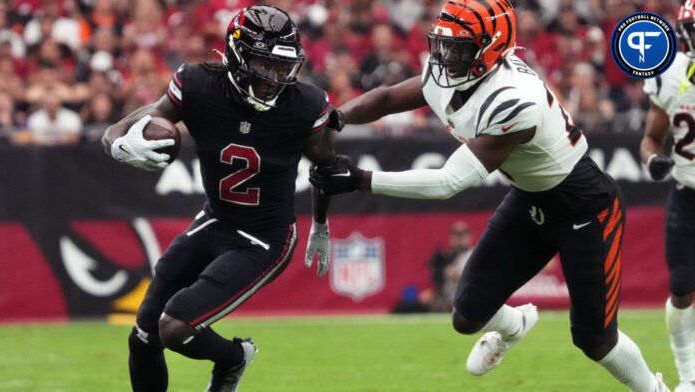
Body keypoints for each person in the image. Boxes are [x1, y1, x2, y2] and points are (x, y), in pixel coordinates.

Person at [310, 1, 667, 390]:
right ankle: (515, 325)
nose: (445, 57)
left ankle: (655, 388)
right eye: (443, 45)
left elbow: (449, 182)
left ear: (491, 48)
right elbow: (384, 99)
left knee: (594, 339)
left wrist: (361, 179)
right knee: (467, 313)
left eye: (457, 48)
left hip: (585, 208)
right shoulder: (454, 72)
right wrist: (334, 118)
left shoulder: (515, 98)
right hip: (531, 200)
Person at [102, 6, 336, 392]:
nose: (274, 80)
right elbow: (156, 115)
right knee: (143, 336)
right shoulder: (198, 83)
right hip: (216, 220)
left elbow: (326, 166)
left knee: (174, 327)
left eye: (283, 68)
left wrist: (321, 224)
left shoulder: (303, 106)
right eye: (265, 65)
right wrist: (114, 137)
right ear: (238, 56)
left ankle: (232, 358)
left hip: (265, 238)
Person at [642, 3, 695, 391]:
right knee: (681, 287)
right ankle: (689, 377)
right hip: (687, 194)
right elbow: (650, 138)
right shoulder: (670, 73)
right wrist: (653, 161)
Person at [428, 221, 473, 312]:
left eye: (462, 235)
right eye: (456, 236)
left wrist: (459, 277)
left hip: (467, 302)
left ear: (469, 237)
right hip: (447, 302)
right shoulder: (445, 256)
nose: (459, 239)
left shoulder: (474, 256)